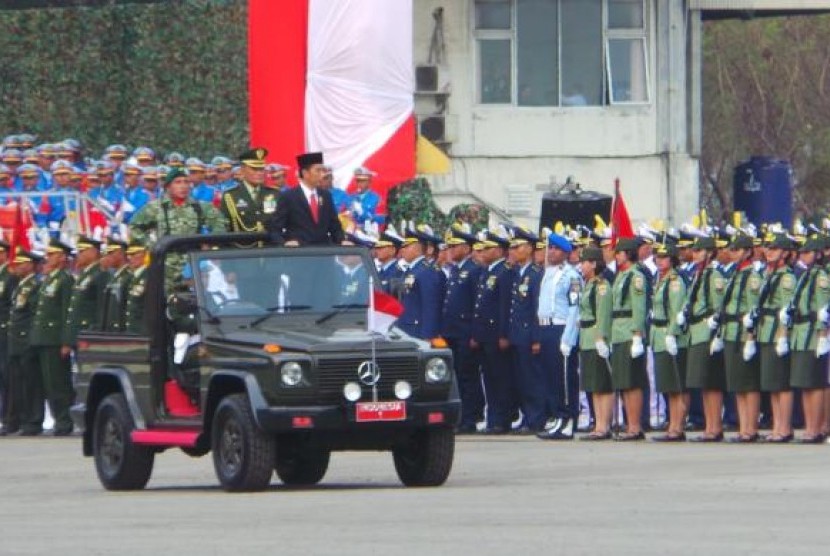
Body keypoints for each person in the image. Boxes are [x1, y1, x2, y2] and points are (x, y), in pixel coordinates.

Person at [131, 167, 227, 287]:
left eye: (186, 182)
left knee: (194, 299)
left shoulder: (200, 206)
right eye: (178, 182)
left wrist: (208, 243)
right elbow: (135, 226)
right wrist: (153, 246)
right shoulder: (155, 207)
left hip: (192, 263)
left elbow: (220, 222)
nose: (183, 186)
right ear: (168, 186)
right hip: (166, 264)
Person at [681, 236, 727, 442]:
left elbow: (718, 306)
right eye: (695, 251)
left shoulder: (713, 275)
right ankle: (710, 426)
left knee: (711, 382)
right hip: (696, 332)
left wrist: (715, 331)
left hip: (707, 332)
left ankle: (714, 427)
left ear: (709, 252)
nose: (695, 254)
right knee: (703, 383)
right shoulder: (698, 274)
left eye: (700, 251)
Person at [537, 232, 582, 441]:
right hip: (546, 328)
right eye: (550, 248)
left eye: (555, 249)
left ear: (565, 252)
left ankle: (567, 418)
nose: (551, 252)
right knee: (550, 378)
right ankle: (556, 415)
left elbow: (575, 308)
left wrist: (568, 338)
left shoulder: (571, 275)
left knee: (564, 379)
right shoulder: (548, 272)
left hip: (561, 329)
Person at [719, 234, 762, 443]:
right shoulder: (735, 274)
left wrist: (752, 337)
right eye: (731, 249)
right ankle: (743, 427)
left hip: (744, 334)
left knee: (748, 384)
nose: (732, 253)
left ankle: (750, 428)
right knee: (737, 383)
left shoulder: (752, 276)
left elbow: (754, 308)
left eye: (736, 250)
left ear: (747, 251)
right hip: (731, 332)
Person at [441, 223, 483, 434]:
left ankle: (470, 417)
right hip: (451, 331)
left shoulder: (474, 270)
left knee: (468, 376)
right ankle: (460, 416)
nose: (450, 249)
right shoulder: (456, 270)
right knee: (455, 374)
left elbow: (477, 305)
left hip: (466, 332)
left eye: (455, 245)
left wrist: (475, 333)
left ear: (466, 248)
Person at [470, 227, 513, 434]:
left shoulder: (504, 272)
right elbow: (480, 306)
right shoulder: (487, 271)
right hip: (485, 335)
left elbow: (504, 307)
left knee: (500, 379)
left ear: (499, 250)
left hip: (496, 335)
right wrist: (476, 335)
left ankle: (501, 419)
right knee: (489, 379)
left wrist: (504, 334)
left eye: (488, 248)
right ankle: (493, 417)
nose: (483, 252)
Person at [755, 233, 797, 442]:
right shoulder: (768, 274)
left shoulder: (787, 277)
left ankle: (784, 427)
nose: (769, 251)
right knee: (772, 383)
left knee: (782, 383)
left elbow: (787, 309)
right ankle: (776, 426)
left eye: (774, 248)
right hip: (765, 330)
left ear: (785, 253)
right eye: (768, 248)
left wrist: (783, 336)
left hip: (778, 332)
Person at [30, 238, 74, 436]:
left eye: (52, 255)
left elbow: (67, 312)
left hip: (55, 339)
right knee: (48, 383)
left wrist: (66, 341)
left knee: (58, 384)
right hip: (43, 338)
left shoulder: (64, 280)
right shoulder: (49, 279)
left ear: (62, 257)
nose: (48, 258)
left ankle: (64, 421)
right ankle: (59, 419)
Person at [787, 235, 829, 443]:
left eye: (807, 252)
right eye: (802, 252)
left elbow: (823, 309)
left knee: (815, 383)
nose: (803, 256)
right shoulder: (805, 275)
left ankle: (816, 428)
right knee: (805, 383)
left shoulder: (820, 276)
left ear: (818, 254)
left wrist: (823, 336)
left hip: (813, 333)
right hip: (800, 333)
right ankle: (810, 426)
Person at [572, 247, 614, 440]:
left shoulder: (602, 285)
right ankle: (598, 423)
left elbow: (603, 314)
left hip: (596, 338)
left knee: (602, 385)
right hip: (586, 339)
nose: (581, 266)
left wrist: (601, 338)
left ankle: (604, 425)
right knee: (593, 386)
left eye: (585, 262)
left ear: (594, 264)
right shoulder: (588, 284)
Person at [610, 238, 649, 441]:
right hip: (618, 332)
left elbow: (639, 308)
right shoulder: (621, 276)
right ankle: (629, 424)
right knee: (624, 382)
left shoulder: (636, 277)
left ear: (628, 254)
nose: (616, 256)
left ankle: (635, 426)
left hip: (628, 332)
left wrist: (637, 335)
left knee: (632, 382)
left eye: (619, 253)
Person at [650, 243, 690, 442]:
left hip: (670, 335)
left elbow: (677, 310)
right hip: (659, 336)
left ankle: (677, 426)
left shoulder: (675, 282)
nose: (660, 260)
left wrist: (672, 333)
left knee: (676, 385)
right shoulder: (660, 280)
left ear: (672, 259)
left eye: (664, 257)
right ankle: (672, 425)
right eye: (657, 257)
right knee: (667, 385)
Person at [506, 226, 545, 433]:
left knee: (532, 381)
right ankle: (526, 416)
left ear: (529, 248)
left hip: (529, 336)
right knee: (520, 380)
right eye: (512, 247)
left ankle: (535, 419)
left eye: (518, 247)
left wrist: (537, 338)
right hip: (517, 336)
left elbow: (537, 308)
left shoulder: (535, 274)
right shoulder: (517, 273)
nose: (513, 251)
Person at [2, 248, 42, 436]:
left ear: (30, 265)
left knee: (30, 383)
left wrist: (30, 339)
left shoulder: (34, 285)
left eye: (22, 263)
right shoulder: (20, 285)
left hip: (25, 340)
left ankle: (31, 421)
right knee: (16, 382)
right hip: (15, 339)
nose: (18, 266)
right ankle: (17, 420)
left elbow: (34, 314)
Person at [266, 152, 345, 246]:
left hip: (324, 252)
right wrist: (284, 244)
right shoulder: (289, 196)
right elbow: (275, 228)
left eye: (322, 171)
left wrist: (342, 240)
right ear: (305, 173)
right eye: (318, 171)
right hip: (300, 253)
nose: (322, 175)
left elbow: (335, 226)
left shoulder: (326, 195)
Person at [62, 236, 110, 355]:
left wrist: (97, 334)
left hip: (90, 335)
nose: (79, 255)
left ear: (93, 252)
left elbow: (101, 307)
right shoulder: (84, 275)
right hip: (80, 336)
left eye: (82, 251)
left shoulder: (99, 274)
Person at [396, 226, 446, 340]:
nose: (402, 249)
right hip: (406, 328)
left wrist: (429, 335)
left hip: (418, 330)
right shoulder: (411, 270)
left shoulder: (426, 271)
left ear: (418, 248)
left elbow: (431, 305)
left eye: (406, 246)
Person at [220, 147, 279, 234]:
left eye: (261, 169)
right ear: (242, 170)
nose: (259, 173)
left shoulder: (274, 193)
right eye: (254, 169)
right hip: (243, 245)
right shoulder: (230, 195)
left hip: (270, 244)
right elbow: (226, 227)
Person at [0, 240, 18, 429]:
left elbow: (13, 306)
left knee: (7, 376)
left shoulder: (9, 277)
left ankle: (9, 419)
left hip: (5, 331)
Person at [101, 238, 131, 332]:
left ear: (120, 254)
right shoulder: (114, 277)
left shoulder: (128, 276)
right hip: (110, 331)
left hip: (120, 331)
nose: (107, 257)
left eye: (110, 253)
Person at [123, 240, 149, 335]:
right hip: (132, 332)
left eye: (134, 254)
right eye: (128, 255)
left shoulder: (148, 276)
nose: (130, 258)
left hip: (143, 332)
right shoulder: (132, 278)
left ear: (143, 254)